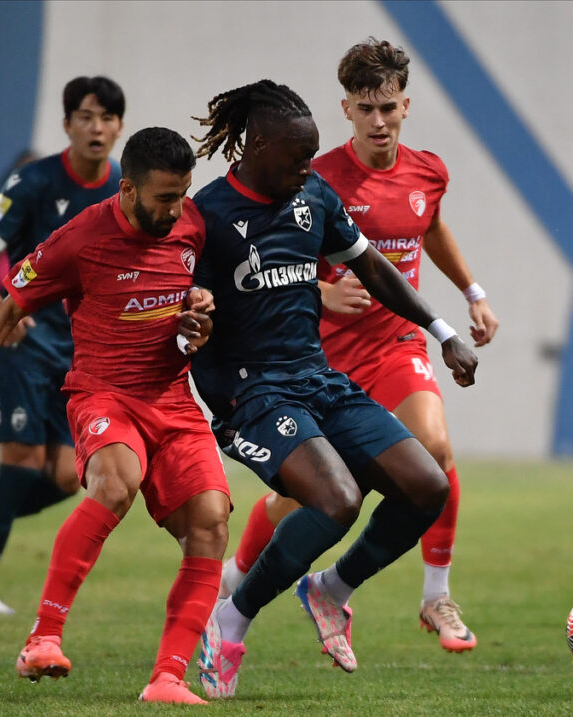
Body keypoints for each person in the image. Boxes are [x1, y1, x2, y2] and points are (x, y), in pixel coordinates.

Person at [0, 127, 230, 705]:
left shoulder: (191, 225)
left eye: (183, 195)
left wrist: (196, 315)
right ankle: (42, 638)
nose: (177, 209)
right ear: (129, 190)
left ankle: (168, 679)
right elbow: (10, 304)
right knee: (116, 483)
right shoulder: (80, 238)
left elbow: (188, 297)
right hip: (104, 394)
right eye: (164, 198)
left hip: (174, 400)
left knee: (210, 524)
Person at [185, 79, 478, 699]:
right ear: (258, 145)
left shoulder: (311, 193)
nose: (306, 168)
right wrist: (191, 324)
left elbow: (373, 267)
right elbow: (179, 309)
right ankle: (228, 621)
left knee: (427, 484)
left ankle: (331, 589)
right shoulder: (206, 216)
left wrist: (443, 329)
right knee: (337, 501)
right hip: (251, 395)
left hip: (317, 378)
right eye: (296, 156)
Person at [0, 76, 125, 614]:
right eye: (86, 117)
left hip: (81, 351)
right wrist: (0, 312)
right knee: (21, 461)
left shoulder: (122, 187)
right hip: (25, 339)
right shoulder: (32, 181)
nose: (96, 127)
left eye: (107, 118)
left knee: (69, 477)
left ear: (119, 127)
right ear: (67, 124)